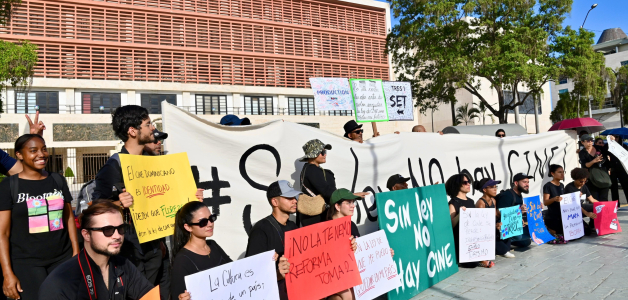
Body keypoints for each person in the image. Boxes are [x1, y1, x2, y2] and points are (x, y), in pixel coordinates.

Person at [91, 105, 170, 299]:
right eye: (148, 124)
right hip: (131, 251)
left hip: (155, 247)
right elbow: (95, 208)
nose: (153, 128)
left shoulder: (153, 161)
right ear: (132, 131)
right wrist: (118, 203)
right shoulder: (114, 166)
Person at [0, 134, 79, 300]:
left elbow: (69, 218)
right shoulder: (9, 186)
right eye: (33, 150)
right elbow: (3, 234)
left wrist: (76, 253)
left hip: (62, 259)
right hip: (26, 264)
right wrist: (7, 274)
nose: (41, 154)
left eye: (44, 149)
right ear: (19, 155)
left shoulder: (57, 180)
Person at [39, 202, 154, 300]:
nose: (117, 235)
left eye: (121, 228)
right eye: (107, 230)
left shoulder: (123, 265)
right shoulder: (61, 281)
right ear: (86, 234)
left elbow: (150, 295)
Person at [171, 202, 242, 300]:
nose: (210, 224)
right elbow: (177, 295)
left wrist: (268, 260)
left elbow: (236, 271)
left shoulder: (213, 245)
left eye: (211, 218)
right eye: (203, 222)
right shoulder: (182, 260)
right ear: (188, 227)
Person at [245, 180, 300, 300]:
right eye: (289, 197)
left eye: (294, 197)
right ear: (274, 201)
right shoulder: (261, 230)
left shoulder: (293, 227)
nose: (295, 200)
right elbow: (251, 273)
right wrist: (278, 274)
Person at [298, 139, 368, 226]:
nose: (325, 154)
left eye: (325, 151)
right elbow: (328, 192)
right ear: (313, 155)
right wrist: (351, 195)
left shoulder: (311, 169)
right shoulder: (312, 170)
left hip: (313, 217)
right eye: (322, 152)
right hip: (315, 218)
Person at [324, 188, 374, 300]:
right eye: (348, 203)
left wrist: (383, 254)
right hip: (336, 280)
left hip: (355, 276)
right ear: (337, 206)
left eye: (353, 202)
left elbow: (362, 253)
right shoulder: (325, 230)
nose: (353, 206)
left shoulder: (351, 225)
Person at [446, 173, 493, 268]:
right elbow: (450, 225)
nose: (468, 184)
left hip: (472, 240)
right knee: (470, 264)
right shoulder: (453, 203)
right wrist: (460, 215)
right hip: (460, 240)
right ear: (457, 185)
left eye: (469, 182)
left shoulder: (471, 201)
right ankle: (480, 261)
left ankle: (481, 259)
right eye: (465, 182)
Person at [474, 178, 513, 259]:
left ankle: (498, 248)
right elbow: (481, 225)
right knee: (505, 249)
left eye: (496, 187)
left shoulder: (493, 200)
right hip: (485, 234)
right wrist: (495, 226)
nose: (495, 189)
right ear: (484, 189)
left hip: (493, 230)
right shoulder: (481, 203)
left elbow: (495, 216)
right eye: (492, 187)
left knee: (508, 234)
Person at [495, 173, 532, 248]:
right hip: (501, 226)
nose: (527, 184)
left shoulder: (519, 195)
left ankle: (508, 242)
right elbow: (500, 213)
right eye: (524, 182)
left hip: (514, 225)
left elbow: (517, 213)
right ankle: (500, 243)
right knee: (519, 236)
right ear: (516, 183)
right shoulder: (507, 195)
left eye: (528, 182)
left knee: (527, 240)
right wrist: (518, 211)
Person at [564, 168, 599, 236]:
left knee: (596, 206)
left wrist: (604, 205)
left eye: (585, 181)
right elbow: (574, 205)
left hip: (581, 208)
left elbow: (592, 199)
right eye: (581, 181)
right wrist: (586, 213)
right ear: (575, 179)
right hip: (572, 212)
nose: (583, 183)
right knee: (587, 232)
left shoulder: (584, 187)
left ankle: (592, 226)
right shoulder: (569, 188)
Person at [579, 134, 611, 201]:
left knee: (604, 198)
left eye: (591, 140)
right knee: (594, 199)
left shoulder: (598, 148)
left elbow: (608, 150)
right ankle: (595, 212)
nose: (590, 142)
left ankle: (604, 211)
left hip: (603, 176)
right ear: (582, 142)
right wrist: (594, 161)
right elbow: (585, 165)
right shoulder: (582, 153)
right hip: (592, 178)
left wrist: (611, 140)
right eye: (588, 141)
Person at [543, 164, 567, 243]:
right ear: (552, 173)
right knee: (560, 238)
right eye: (559, 172)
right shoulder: (548, 186)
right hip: (552, 216)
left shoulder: (562, 185)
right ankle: (549, 229)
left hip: (562, 216)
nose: (562, 174)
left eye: (563, 172)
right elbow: (545, 202)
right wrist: (554, 199)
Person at [608, 135, 628, 202]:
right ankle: (616, 204)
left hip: (622, 169)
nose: (615, 138)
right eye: (613, 137)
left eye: (616, 137)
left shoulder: (623, 146)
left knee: (626, 186)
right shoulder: (609, 146)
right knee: (614, 187)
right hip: (613, 169)